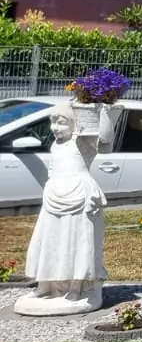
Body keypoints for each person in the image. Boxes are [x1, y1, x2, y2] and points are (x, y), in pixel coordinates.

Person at [15, 106, 108, 316]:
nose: (54, 128)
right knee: (50, 241)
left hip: (79, 197)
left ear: (76, 124)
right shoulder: (57, 145)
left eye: (61, 122)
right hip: (55, 196)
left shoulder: (82, 143)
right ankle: (47, 286)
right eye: (53, 122)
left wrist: (105, 108)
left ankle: (78, 288)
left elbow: (104, 138)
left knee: (79, 242)